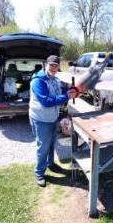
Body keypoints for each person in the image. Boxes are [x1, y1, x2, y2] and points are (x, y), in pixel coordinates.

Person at [29, 55, 77, 187]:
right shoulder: (38, 81)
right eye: (52, 65)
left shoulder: (55, 79)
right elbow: (46, 101)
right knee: (43, 147)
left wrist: (71, 90)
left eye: (56, 65)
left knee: (51, 144)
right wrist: (66, 96)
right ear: (45, 64)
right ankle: (39, 173)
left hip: (52, 118)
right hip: (40, 119)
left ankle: (51, 164)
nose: (54, 68)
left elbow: (61, 90)